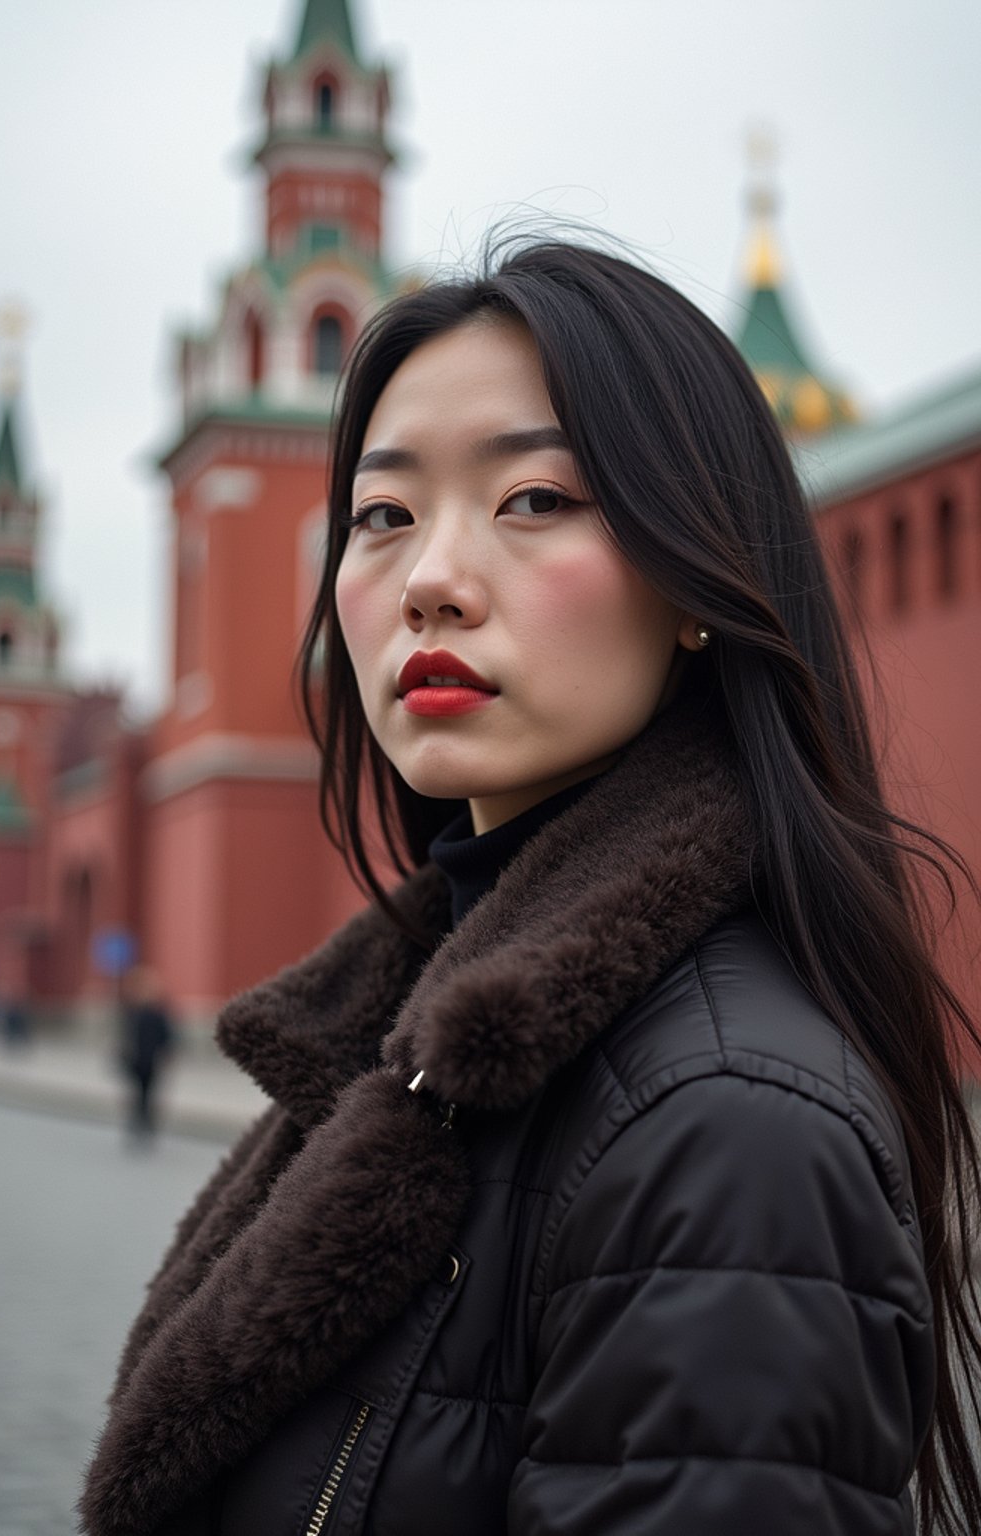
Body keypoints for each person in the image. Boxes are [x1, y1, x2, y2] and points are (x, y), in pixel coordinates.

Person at [80, 240, 981, 1535]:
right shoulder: (412, 1047)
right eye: (382, 517)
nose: (431, 579)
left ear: (694, 579)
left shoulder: (728, 1130)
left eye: (536, 498)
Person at [117, 964, 175, 1142]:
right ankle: (138, 1122)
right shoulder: (131, 1011)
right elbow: (126, 1035)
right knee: (136, 1093)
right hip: (135, 1060)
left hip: (151, 1060)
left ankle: (147, 1123)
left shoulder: (158, 1012)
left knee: (148, 1093)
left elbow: (167, 1035)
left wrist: (168, 1054)